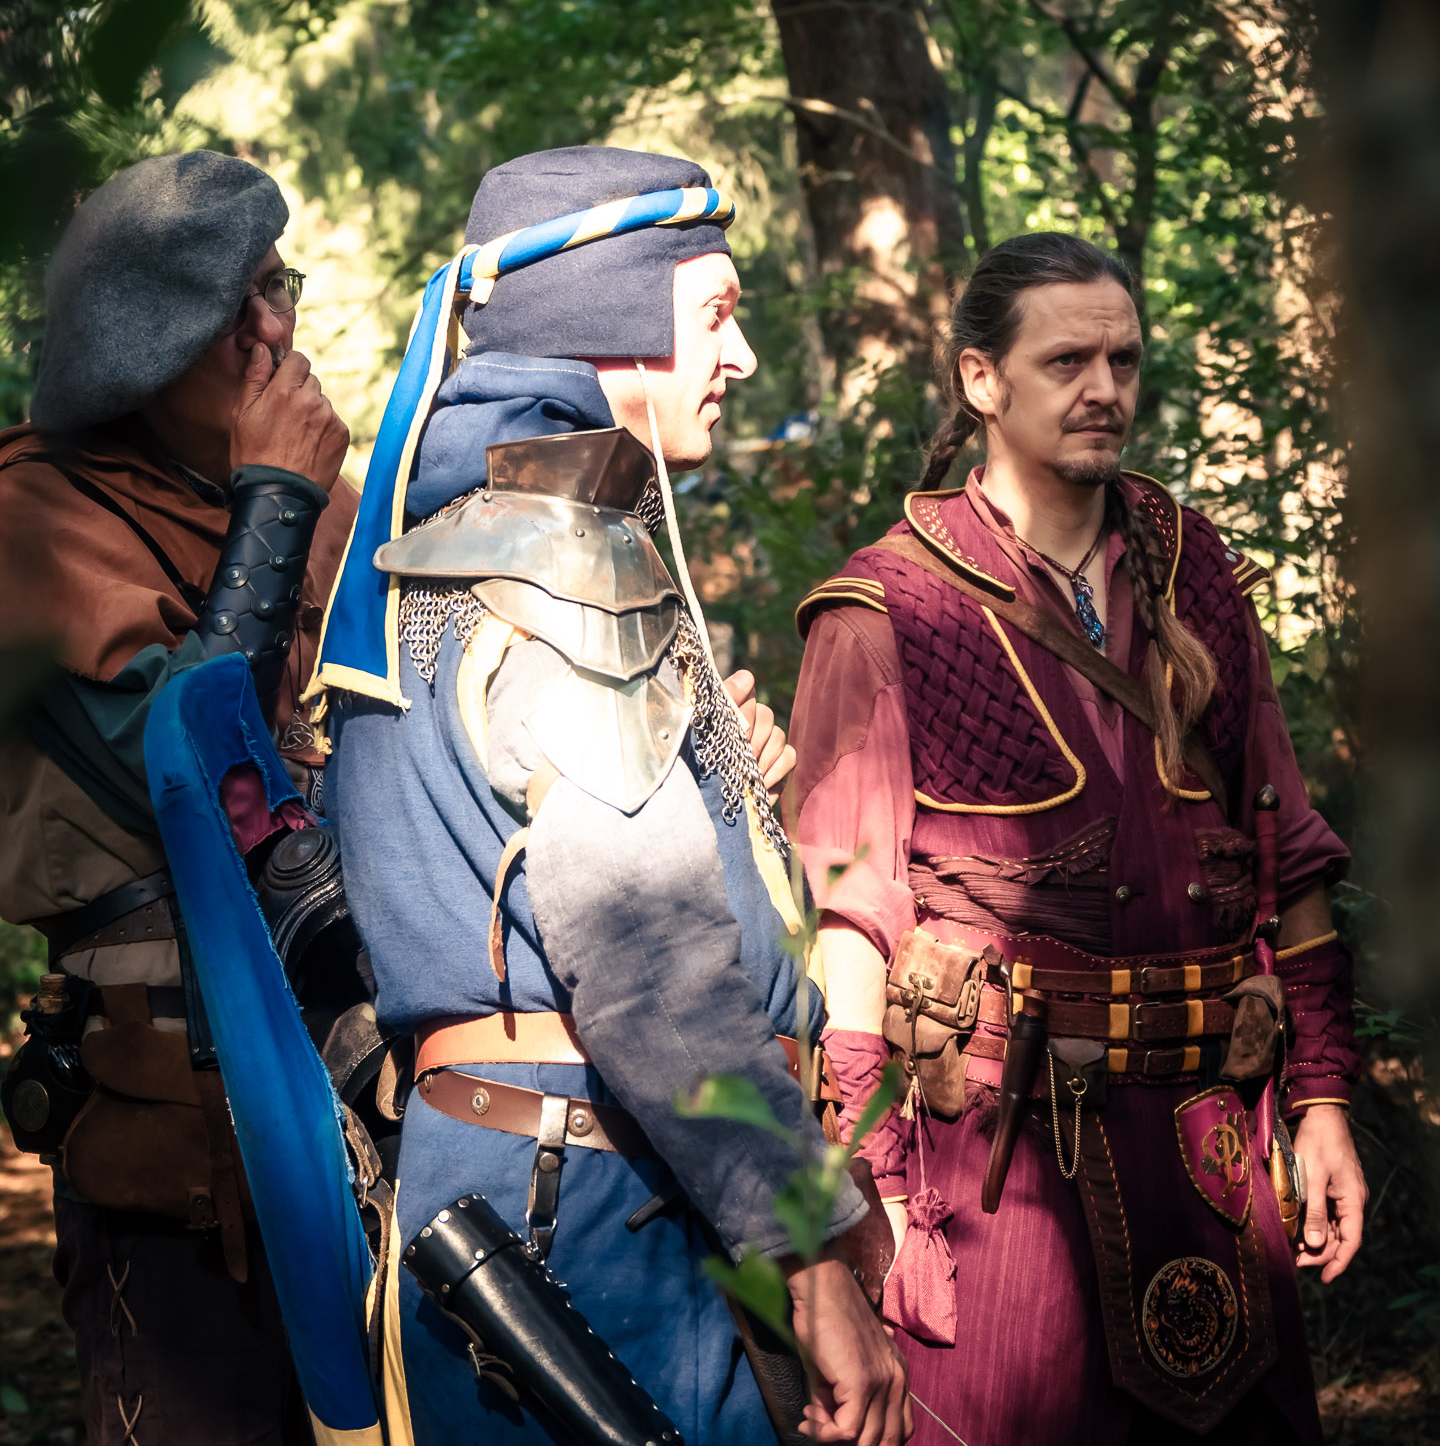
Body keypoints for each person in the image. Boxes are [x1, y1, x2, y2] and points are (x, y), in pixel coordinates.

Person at [321, 145, 910, 1446]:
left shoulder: (453, 538)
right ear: (615, 318)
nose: (740, 356)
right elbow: (649, 971)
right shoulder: (565, 567)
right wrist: (810, 1260)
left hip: (538, 1181)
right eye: (717, 313)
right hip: (591, 1219)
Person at [792, 232, 1366, 1446]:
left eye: (1125, 360)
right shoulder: (889, 608)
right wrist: (868, 1186)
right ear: (981, 379)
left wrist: (1321, 1100)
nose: (1105, 388)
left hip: (1212, 1153)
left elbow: (1289, 853)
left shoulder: (1195, 571)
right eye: (1067, 362)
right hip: (998, 1174)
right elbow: (849, 928)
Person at [0, 150, 356, 1446]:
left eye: (278, 287)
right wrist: (277, 501)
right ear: (136, 345)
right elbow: (206, 783)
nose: (276, 334)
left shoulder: (322, 509)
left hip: (365, 1122)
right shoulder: (33, 521)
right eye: (229, 311)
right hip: (179, 1174)